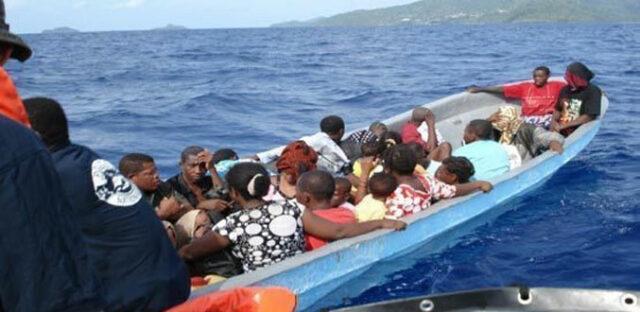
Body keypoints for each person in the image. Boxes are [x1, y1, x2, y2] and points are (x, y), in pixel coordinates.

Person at [23, 97, 190, 311]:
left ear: (33, 135)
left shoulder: (54, 174)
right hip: (172, 281)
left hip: (139, 298)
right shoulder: (83, 157)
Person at [179, 163, 406, 272]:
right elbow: (339, 231)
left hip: (263, 289)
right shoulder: (293, 208)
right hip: (300, 271)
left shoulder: (231, 224)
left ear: (235, 193)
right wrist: (381, 222)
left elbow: (190, 252)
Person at [380, 144, 493, 219]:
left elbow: (391, 222)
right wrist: (479, 183)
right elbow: (454, 191)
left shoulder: (397, 193)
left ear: (388, 169)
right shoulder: (426, 180)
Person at [468, 66, 566, 129]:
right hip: (528, 119)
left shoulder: (556, 86)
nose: (537, 79)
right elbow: (502, 89)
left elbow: (572, 88)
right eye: (535, 76)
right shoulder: (525, 87)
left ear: (548, 76)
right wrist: (481, 89)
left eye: (540, 76)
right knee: (503, 112)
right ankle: (480, 128)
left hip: (547, 119)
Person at [256, 115, 350, 175]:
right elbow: (292, 146)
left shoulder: (320, 139)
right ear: (341, 131)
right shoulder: (321, 140)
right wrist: (259, 156)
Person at [296, 171, 358, 251]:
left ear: (306, 198)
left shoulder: (304, 221)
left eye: (297, 192)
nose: (295, 195)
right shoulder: (347, 213)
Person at [432, 120, 510, 180]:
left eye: (465, 132)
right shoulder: (498, 146)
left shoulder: (461, 152)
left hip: (477, 187)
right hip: (502, 180)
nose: (463, 135)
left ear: (472, 136)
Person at [119, 153, 188, 221]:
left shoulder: (161, 186)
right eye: (150, 173)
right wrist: (161, 214)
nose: (157, 175)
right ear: (131, 178)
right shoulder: (118, 199)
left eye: (156, 171)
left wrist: (177, 210)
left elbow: (188, 208)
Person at [489, 106, 565, 163]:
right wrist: (487, 121)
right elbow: (478, 136)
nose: (498, 128)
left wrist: (553, 142)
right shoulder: (494, 132)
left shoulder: (525, 129)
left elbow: (545, 136)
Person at [166, 146, 230, 212]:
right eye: (192, 166)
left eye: (202, 166)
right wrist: (202, 205)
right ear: (181, 165)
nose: (198, 171)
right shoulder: (172, 187)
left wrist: (211, 168)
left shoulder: (209, 181)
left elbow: (224, 194)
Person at [552, 62, 602, 136]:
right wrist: (553, 122)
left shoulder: (593, 91)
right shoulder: (565, 89)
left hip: (575, 128)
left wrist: (563, 126)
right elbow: (558, 109)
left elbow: (589, 116)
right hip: (560, 126)